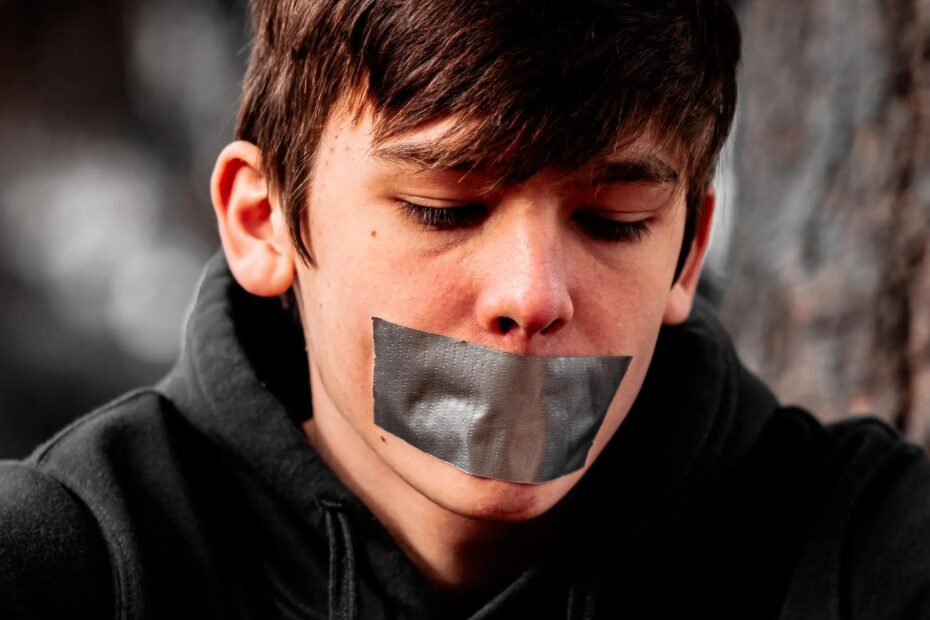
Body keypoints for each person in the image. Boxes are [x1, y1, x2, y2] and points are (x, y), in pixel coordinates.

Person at [2, 0, 929, 618]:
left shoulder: (863, 551)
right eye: (444, 208)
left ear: (688, 250)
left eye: (614, 223)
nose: (532, 296)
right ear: (262, 222)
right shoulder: (72, 565)